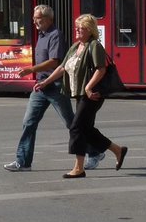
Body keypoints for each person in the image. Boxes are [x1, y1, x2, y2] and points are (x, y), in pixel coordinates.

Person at [3, 5, 104, 172]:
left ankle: (94, 151)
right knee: (29, 122)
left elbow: (55, 61)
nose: (35, 21)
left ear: (49, 19)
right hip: (41, 87)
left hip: (55, 86)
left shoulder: (55, 35)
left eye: (39, 19)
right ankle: (23, 162)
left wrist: (32, 69)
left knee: (72, 123)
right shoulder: (41, 35)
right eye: (35, 18)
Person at [35, 13, 127, 178]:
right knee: (86, 129)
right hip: (80, 94)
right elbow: (62, 68)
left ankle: (79, 168)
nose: (77, 29)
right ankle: (118, 150)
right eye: (76, 26)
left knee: (76, 127)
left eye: (81, 27)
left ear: (90, 29)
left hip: (92, 95)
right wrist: (46, 82)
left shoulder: (94, 46)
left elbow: (101, 69)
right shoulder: (75, 46)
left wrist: (89, 87)